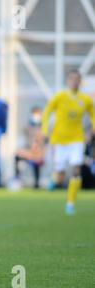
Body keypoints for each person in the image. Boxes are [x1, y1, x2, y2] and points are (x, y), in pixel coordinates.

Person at [41, 70, 95, 215]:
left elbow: (92, 114)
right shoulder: (60, 96)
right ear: (68, 81)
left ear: (80, 81)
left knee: (76, 168)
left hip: (77, 139)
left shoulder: (86, 99)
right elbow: (47, 111)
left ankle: (70, 203)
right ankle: (55, 180)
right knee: (60, 175)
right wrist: (45, 129)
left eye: (77, 79)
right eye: (72, 79)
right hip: (59, 140)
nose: (74, 82)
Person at [11, 107, 45, 189]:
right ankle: (17, 180)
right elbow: (28, 141)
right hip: (30, 151)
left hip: (39, 153)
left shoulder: (44, 127)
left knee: (37, 160)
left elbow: (44, 143)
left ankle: (37, 183)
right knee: (18, 156)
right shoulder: (28, 126)